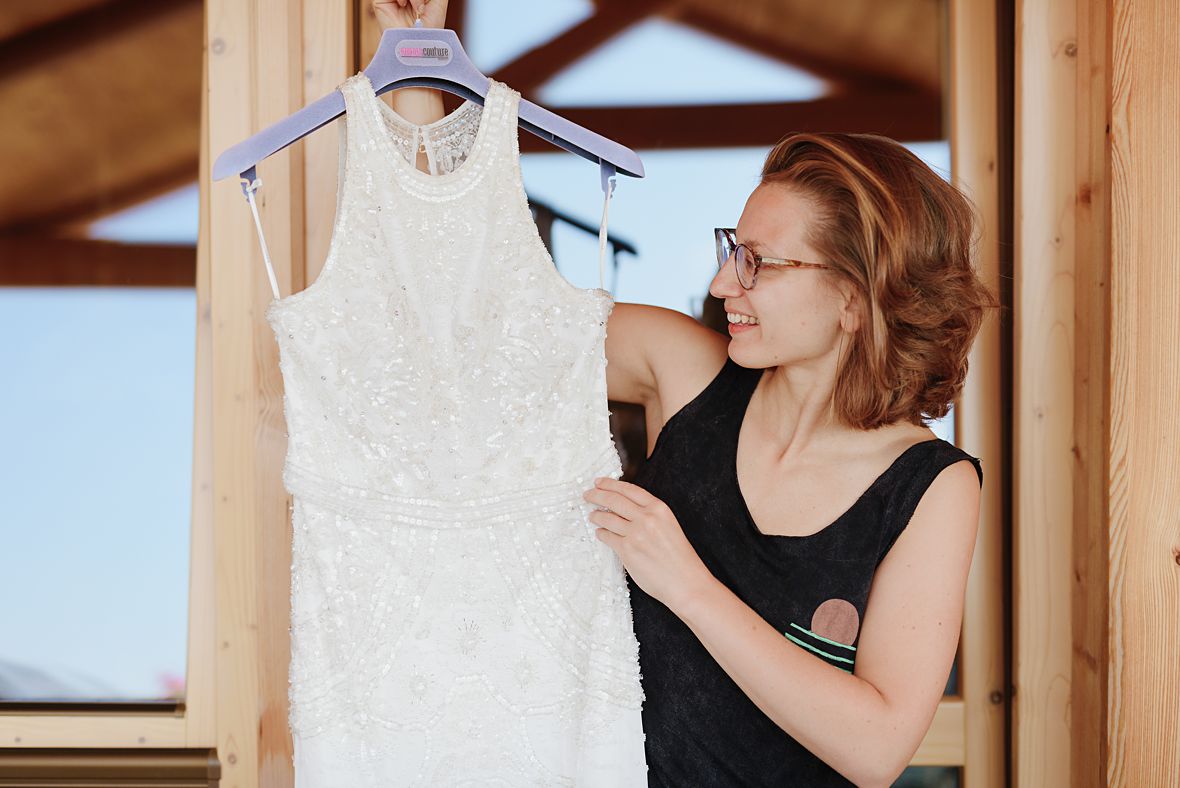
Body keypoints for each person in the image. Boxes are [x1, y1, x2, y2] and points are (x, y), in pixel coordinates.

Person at [378, 3, 992, 785]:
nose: (722, 282)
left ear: (853, 298)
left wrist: (687, 584)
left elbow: (875, 749)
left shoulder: (931, 488)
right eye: (733, 249)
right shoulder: (683, 367)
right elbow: (465, 319)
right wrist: (419, 66)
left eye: (759, 263)